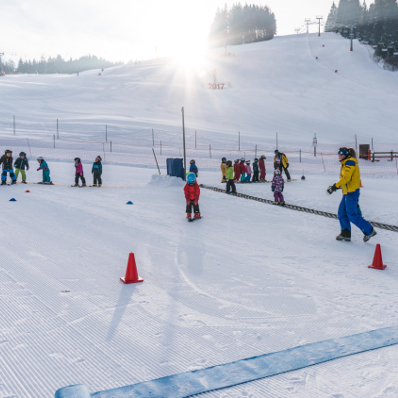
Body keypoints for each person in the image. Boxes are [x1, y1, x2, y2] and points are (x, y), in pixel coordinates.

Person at [327, 147, 377, 242]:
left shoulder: (350, 162)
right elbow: (346, 180)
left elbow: (346, 178)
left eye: (341, 154)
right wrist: (338, 186)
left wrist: (335, 186)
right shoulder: (346, 162)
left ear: (345, 154)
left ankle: (369, 230)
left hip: (352, 193)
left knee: (352, 215)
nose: (339, 156)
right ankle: (345, 234)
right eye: (339, 154)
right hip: (346, 192)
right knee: (341, 213)